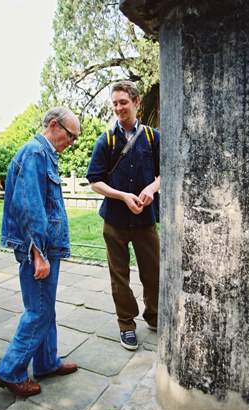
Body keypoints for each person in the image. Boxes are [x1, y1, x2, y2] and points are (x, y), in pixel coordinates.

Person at [0, 107, 80, 396]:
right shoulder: (35, 154)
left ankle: (46, 362)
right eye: (71, 136)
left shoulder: (43, 154)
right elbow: (28, 206)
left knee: (45, 309)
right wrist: (38, 253)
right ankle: (11, 371)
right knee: (38, 312)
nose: (73, 142)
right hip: (39, 249)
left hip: (45, 246)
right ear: (54, 125)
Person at [87, 81, 160, 351]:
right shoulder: (105, 140)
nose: (118, 108)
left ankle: (154, 316)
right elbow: (95, 181)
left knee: (153, 274)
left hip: (145, 221)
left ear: (137, 102)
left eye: (123, 102)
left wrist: (152, 189)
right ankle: (126, 324)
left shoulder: (153, 138)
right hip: (115, 222)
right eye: (115, 103)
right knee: (119, 277)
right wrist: (122, 196)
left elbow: (167, 172)